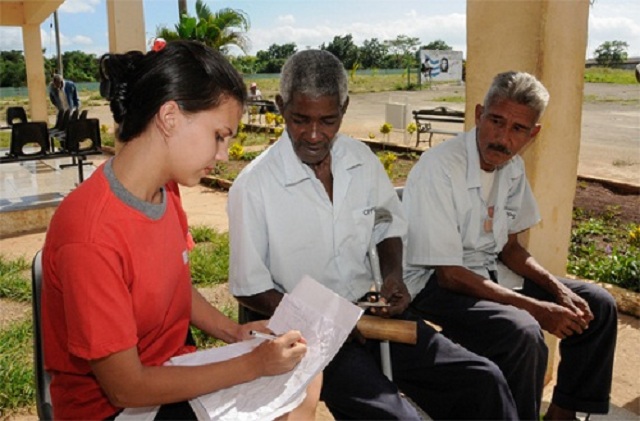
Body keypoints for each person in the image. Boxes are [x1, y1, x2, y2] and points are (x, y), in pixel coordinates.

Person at [228, 49, 519, 420]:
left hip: (370, 312)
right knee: (394, 416)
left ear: (344, 109)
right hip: (309, 335)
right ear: (280, 106)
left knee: (482, 381)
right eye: (300, 119)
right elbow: (248, 286)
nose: (314, 135)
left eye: (328, 120)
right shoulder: (253, 186)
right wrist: (325, 320)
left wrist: (393, 275)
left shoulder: (360, 160)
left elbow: (388, 225)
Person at [41, 40, 320, 420]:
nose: (222, 156)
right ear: (170, 116)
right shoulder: (91, 234)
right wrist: (252, 365)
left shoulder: (164, 189)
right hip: (116, 409)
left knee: (305, 374)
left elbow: (173, 283)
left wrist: (234, 334)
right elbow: (125, 387)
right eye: (219, 136)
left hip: (170, 373)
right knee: (287, 407)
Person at [403, 70, 618, 420]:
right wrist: (536, 307)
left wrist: (557, 291)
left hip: (490, 271)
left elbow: (511, 249)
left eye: (518, 129)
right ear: (478, 115)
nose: (502, 138)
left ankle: (561, 414)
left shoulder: (511, 167)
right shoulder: (440, 168)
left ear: (533, 134)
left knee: (598, 305)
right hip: (432, 283)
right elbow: (449, 275)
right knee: (523, 330)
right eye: (496, 121)